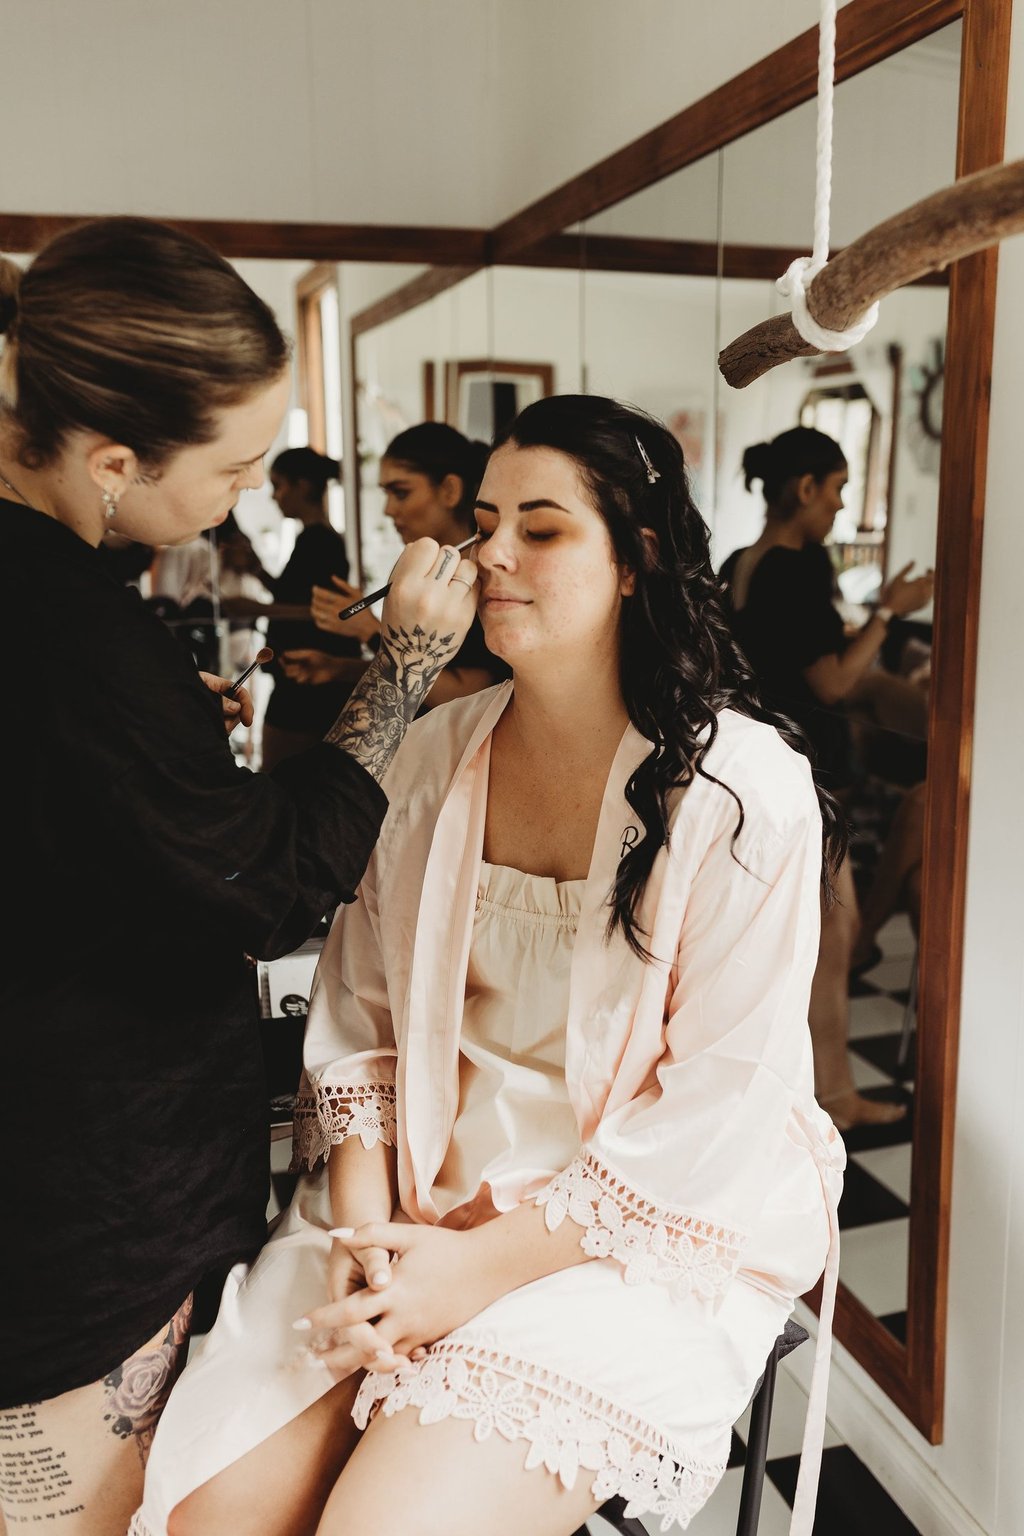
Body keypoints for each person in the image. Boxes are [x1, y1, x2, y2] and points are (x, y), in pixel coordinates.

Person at [133, 395, 845, 1536]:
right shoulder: (427, 757)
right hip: (412, 1184)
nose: (491, 555)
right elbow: (356, 1018)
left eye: (544, 529)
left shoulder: (738, 790)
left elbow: (719, 1103)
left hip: (626, 1228)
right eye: (483, 521)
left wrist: (469, 1274)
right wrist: (371, 1244)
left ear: (637, 558)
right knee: (210, 1520)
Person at [0, 215, 478, 1536]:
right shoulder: (70, 632)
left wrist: (152, 768)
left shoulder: (67, 612)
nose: (248, 493)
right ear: (109, 462)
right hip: (69, 1198)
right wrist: (399, 672)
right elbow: (270, 881)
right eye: (236, 465)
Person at [719, 426, 933, 1129]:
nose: (841, 507)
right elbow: (834, 684)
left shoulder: (740, 562)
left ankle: (826, 1093)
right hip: (801, 775)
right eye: (838, 490)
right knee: (834, 943)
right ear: (805, 488)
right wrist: (888, 613)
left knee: (822, 940)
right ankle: (833, 1100)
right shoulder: (798, 569)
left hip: (756, 768)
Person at [282, 421, 511, 709]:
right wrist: (340, 668)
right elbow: (419, 673)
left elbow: (464, 696)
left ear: (450, 490)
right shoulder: (431, 575)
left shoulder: (483, 580)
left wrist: (369, 630)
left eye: (401, 492)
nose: (388, 510)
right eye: (386, 494)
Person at [216, 447, 365, 770]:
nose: (274, 496)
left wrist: (253, 607)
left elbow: (322, 613)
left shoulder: (320, 542)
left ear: (302, 486)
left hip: (307, 684)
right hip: (303, 678)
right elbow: (298, 599)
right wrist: (257, 571)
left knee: (278, 772)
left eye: (279, 486)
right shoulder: (312, 540)